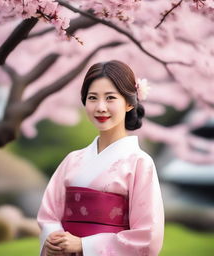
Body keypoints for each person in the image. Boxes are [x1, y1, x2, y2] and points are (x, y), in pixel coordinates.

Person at [37, 60, 164, 256]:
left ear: (129, 103)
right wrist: (55, 239)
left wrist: (84, 246)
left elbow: (147, 235)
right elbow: (48, 214)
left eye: (110, 98)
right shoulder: (72, 159)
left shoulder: (139, 162)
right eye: (93, 98)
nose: (100, 107)